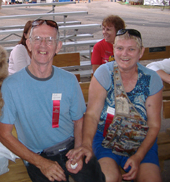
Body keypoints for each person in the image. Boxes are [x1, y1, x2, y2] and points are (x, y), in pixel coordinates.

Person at [0, 19, 105, 182]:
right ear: (28, 44)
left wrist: (78, 149)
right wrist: (41, 163)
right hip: (38, 155)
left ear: (58, 46)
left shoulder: (69, 80)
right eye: (38, 39)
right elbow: (4, 135)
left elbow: (78, 121)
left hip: (70, 146)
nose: (43, 45)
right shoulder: (11, 86)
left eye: (49, 40)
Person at [68, 29, 163, 182]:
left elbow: (154, 125)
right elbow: (92, 114)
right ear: (113, 50)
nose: (124, 54)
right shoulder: (104, 73)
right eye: (119, 48)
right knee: (109, 178)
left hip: (140, 140)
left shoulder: (151, 79)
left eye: (131, 49)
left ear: (141, 52)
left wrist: (138, 156)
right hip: (106, 138)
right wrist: (86, 145)